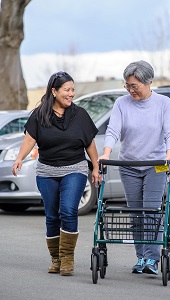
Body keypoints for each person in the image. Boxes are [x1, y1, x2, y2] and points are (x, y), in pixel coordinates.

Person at [12, 71, 100, 276]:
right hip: (46, 171)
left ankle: (67, 258)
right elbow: (29, 140)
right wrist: (19, 158)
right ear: (54, 91)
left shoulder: (80, 115)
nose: (71, 94)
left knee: (68, 210)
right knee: (52, 215)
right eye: (66, 90)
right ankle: (56, 258)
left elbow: (90, 144)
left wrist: (95, 167)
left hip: (74, 168)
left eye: (73, 90)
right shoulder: (39, 115)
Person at [99, 60, 170, 275]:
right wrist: (106, 153)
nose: (131, 90)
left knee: (151, 211)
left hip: (156, 165)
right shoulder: (121, 104)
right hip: (129, 165)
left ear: (148, 82)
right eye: (128, 86)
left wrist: (169, 155)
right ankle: (141, 257)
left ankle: (152, 259)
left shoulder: (163, 103)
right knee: (135, 214)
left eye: (135, 86)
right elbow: (113, 131)